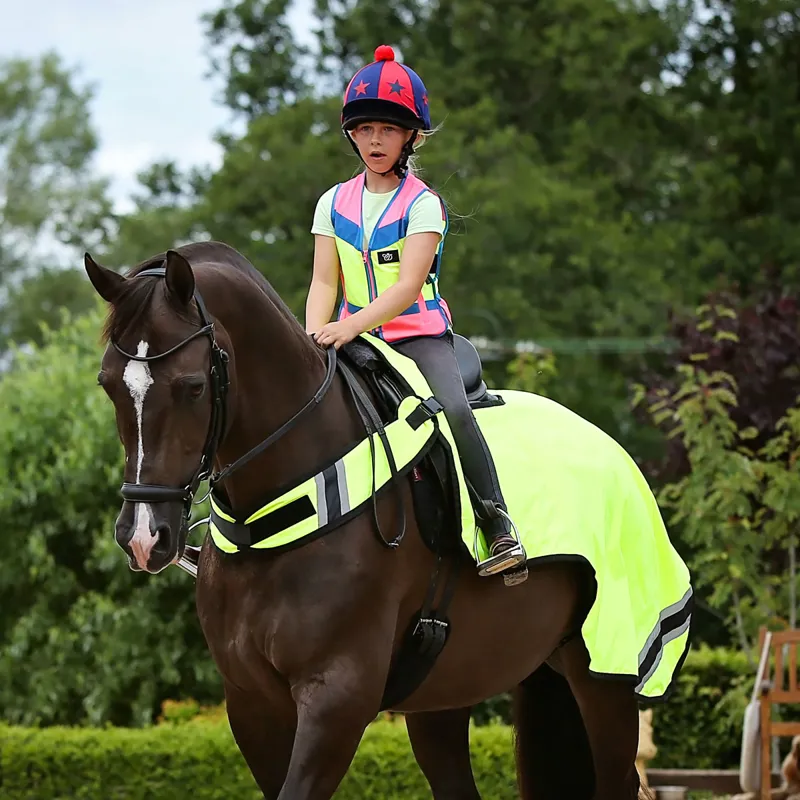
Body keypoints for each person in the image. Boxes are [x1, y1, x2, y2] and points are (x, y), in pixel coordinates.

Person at [304, 44, 526, 581]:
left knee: (453, 411)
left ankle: (498, 525)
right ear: (351, 134)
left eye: (387, 129)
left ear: (411, 136)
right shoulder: (331, 203)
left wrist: (348, 325)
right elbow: (323, 280)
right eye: (364, 129)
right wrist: (313, 332)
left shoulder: (423, 204)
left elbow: (406, 287)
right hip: (351, 336)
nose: (375, 140)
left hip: (417, 337)